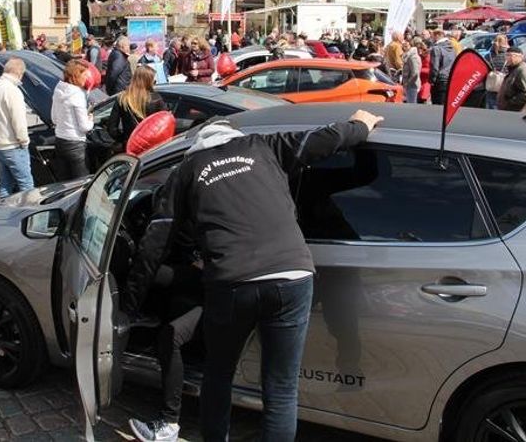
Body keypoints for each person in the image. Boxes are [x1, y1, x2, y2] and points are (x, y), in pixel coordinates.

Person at [167, 110, 383, 441]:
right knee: (281, 389)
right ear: (233, 134)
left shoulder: (188, 169)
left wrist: (196, 259)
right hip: (293, 275)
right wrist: (359, 126)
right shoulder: (263, 146)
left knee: (219, 374)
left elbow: (175, 233)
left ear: (198, 145)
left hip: (233, 281)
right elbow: (322, 140)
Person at [125, 178, 203, 442]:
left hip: (226, 288)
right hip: (226, 282)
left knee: (169, 336)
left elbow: (149, 257)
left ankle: (169, 423)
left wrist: (127, 308)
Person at [0, 58, 34, 198]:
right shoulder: (12, 91)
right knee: (26, 185)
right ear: (20, 73)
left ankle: (2, 214)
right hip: (12, 145)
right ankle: (28, 215)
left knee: (6, 185)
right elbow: (18, 120)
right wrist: (24, 141)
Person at [51, 60, 94, 180]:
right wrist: (91, 119)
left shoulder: (58, 90)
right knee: (81, 184)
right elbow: (84, 127)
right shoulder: (77, 94)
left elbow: (54, 119)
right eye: (85, 75)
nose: (86, 79)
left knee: (64, 184)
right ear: (77, 75)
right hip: (76, 144)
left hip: (60, 141)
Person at [107, 66, 166, 147]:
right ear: (148, 81)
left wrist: (125, 139)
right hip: (152, 146)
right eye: (153, 81)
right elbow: (165, 123)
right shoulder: (156, 99)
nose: (154, 83)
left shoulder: (122, 99)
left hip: (131, 146)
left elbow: (112, 129)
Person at [497, 46, 526, 115]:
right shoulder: (513, 68)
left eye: (510, 55)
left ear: (520, 57)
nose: (507, 58)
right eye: (506, 55)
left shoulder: (523, 70)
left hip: (518, 113)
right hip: (509, 111)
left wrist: (510, 103)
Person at [429, 29, 456, 105]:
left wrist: (432, 81)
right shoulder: (452, 48)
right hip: (449, 78)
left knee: (437, 106)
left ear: (437, 35)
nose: (432, 39)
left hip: (439, 80)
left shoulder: (436, 48)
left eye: (433, 36)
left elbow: (434, 67)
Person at [485, 34, 510, 110]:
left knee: (491, 107)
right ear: (506, 42)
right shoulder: (508, 56)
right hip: (504, 85)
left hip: (491, 85)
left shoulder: (488, 56)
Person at [401, 39, 422, 103]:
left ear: (411, 46)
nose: (404, 47)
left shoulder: (412, 57)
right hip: (410, 84)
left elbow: (415, 73)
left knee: (411, 104)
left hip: (412, 85)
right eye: (403, 46)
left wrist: (407, 83)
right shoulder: (408, 56)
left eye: (406, 46)